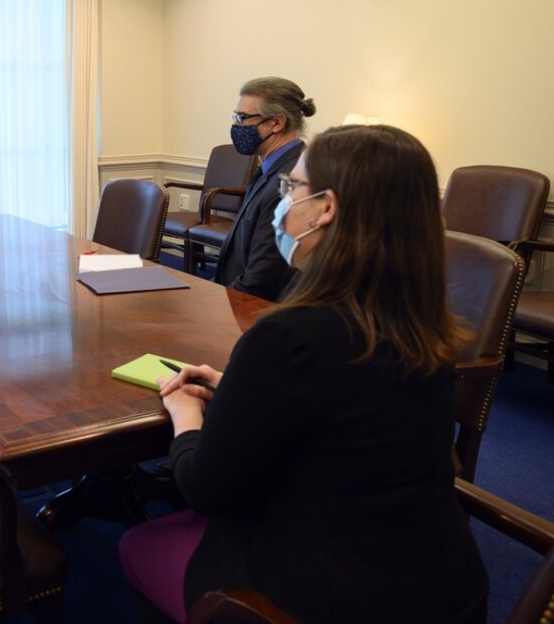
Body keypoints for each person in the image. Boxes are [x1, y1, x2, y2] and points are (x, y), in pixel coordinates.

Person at [119, 126, 488, 623]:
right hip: (441, 589)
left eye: (292, 188)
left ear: (326, 208)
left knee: (135, 544)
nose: (284, 202)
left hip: (312, 599)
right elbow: (352, 416)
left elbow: (203, 488)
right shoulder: (426, 326)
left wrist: (186, 413)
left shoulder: (291, 335)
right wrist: (240, 389)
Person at [214, 76, 315, 301]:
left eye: (242, 118)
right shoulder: (271, 167)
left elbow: (264, 275)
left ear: (277, 123)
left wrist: (217, 303)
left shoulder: (291, 179)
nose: (236, 126)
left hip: (254, 310)